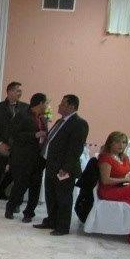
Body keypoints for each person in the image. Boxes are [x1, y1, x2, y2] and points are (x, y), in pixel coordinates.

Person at [34, 94, 89, 235]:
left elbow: (75, 149)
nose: (59, 105)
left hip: (64, 168)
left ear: (72, 106)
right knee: (51, 195)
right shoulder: (60, 121)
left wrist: (66, 168)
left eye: (63, 103)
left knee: (63, 197)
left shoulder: (79, 123)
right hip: (51, 164)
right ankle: (51, 220)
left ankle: (63, 226)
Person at [5, 93, 48, 222]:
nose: (47, 106)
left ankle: (29, 213)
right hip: (23, 157)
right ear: (40, 103)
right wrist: (34, 135)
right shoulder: (22, 115)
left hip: (38, 158)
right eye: (46, 103)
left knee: (35, 186)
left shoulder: (43, 119)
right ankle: (10, 208)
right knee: (20, 185)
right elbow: (14, 134)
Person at [0, 81, 28, 208]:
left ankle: (15, 203)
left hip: (18, 148)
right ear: (9, 91)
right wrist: (0, 144)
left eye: (20, 91)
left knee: (18, 176)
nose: (20, 93)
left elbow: (27, 128)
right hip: (0, 147)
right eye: (17, 90)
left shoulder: (26, 108)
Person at [97, 131, 130, 245]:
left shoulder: (124, 157)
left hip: (121, 188)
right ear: (110, 143)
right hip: (108, 191)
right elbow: (105, 181)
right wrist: (127, 180)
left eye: (124, 142)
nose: (121, 145)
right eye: (117, 142)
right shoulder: (105, 158)